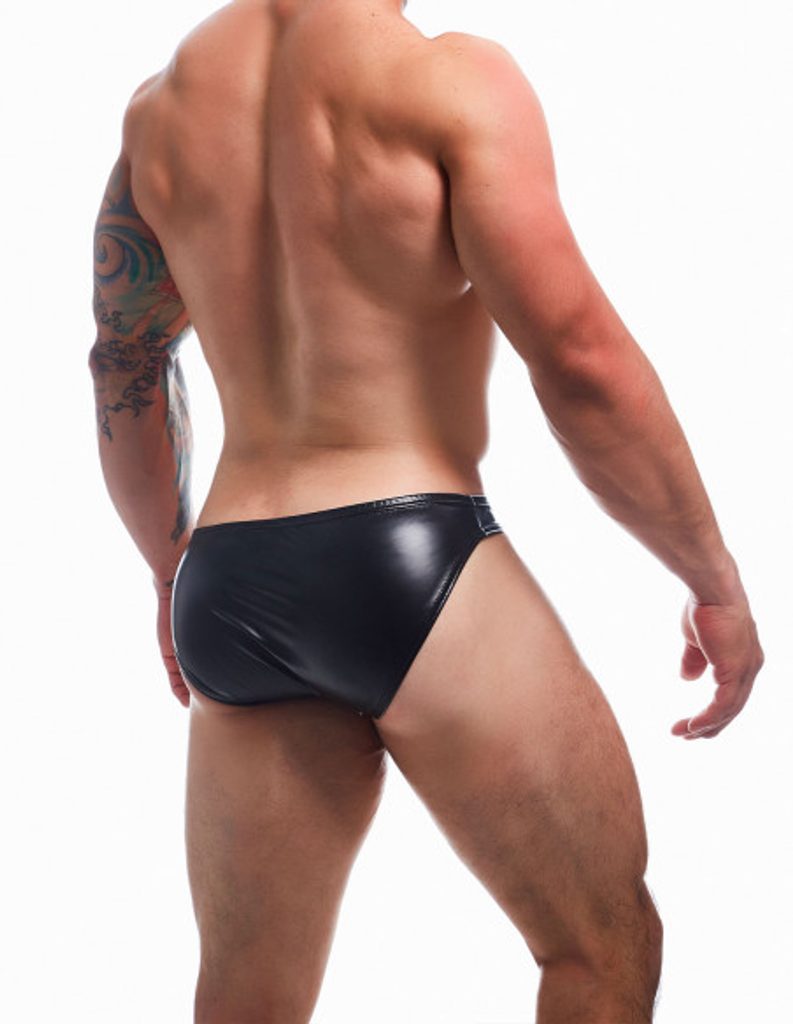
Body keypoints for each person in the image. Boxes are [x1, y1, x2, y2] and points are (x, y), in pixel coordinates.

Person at [88, 1, 763, 1021]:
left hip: (228, 582)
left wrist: (166, 566)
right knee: (598, 945)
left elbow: (124, 361)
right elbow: (577, 358)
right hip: (408, 557)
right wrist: (711, 577)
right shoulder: (443, 81)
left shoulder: (160, 113)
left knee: (245, 998)